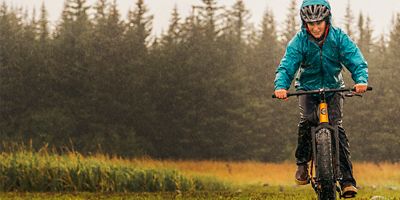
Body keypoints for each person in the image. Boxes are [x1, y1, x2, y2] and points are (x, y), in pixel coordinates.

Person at [273, 0, 368, 198]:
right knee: (306, 122)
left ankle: (348, 181)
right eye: (311, 23)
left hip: (334, 89)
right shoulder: (299, 41)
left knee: (337, 128)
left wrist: (361, 80)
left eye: (319, 22)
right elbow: (287, 65)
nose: (315, 27)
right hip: (307, 89)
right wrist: (281, 86)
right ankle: (302, 164)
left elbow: (355, 59)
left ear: (327, 20)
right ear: (304, 23)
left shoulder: (339, 37)